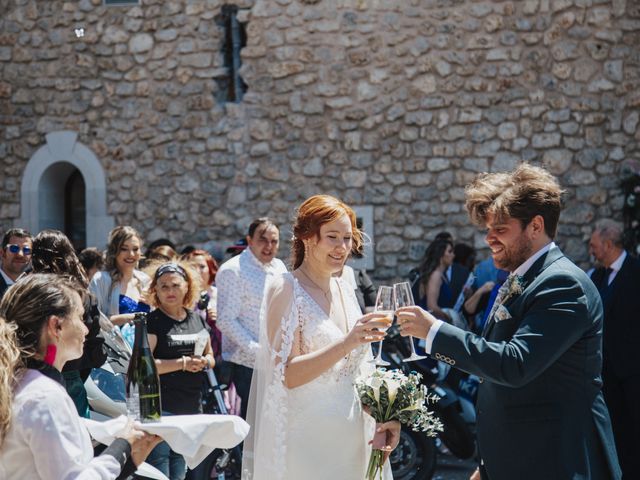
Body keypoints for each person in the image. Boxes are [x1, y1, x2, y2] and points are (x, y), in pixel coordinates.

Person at [396, 163, 621, 480]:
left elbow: (514, 364)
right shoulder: (526, 277)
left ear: (535, 226)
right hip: (519, 457)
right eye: (487, 229)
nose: (489, 239)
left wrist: (432, 330)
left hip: (555, 460)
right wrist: (488, 465)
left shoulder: (562, 285)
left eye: (500, 229)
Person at [243, 195, 399, 480]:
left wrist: (384, 415)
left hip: (354, 439)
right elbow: (286, 375)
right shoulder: (286, 289)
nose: (342, 247)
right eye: (332, 237)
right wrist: (348, 342)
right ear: (307, 238)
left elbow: (357, 372)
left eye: (347, 238)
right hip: (308, 444)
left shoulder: (344, 287)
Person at [0, 273, 161, 479]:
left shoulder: (18, 382)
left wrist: (131, 458)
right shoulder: (43, 396)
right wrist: (124, 445)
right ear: (56, 326)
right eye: (79, 316)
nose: (86, 329)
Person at [144, 261, 215, 480]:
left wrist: (203, 362)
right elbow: (144, 366)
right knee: (160, 470)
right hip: (161, 410)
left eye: (175, 285)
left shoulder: (196, 319)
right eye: (163, 286)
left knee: (181, 470)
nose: (170, 291)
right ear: (155, 290)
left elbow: (211, 357)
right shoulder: (152, 321)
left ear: (187, 286)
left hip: (190, 406)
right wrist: (183, 363)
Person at [31, 229, 107, 418]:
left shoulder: (27, 291)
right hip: (71, 376)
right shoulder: (82, 295)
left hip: (31, 376)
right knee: (75, 443)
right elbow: (96, 351)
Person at [216, 218, 287, 419]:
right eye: (263, 240)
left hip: (277, 360)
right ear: (250, 240)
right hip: (247, 363)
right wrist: (258, 350)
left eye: (274, 241)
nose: (269, 246)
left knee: (276, 423)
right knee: (255, 425)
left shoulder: (280, 267)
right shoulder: (233, 270)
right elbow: (225, 320)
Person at [589, 218, 640, 478]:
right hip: (606, 372)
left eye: (594, 245)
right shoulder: (597, 276)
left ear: (608, 244)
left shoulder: (636, 270)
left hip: (633, 370)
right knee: (616, 429)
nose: (591, 250)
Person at [89, 226, 151, 347]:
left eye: (135, 249)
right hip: (112, 354)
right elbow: (93, 319)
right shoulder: (101, 279)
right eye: (124, 249)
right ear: (114, 251)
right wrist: (130, 318)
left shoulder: (145, 280)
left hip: (144, 351)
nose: (131, 254)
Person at [182, 249, 221, 362]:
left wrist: (219, 319)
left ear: (210, 269)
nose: (197, 271)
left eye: (202, 266)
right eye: (193, 267)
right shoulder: (182, 296)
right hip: (190, 357)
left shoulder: (221, 295)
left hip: (218, 356)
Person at [0, 228, 32, 298]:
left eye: (26, 250)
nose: (20, 254)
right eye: (14, 248)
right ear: (2, 253)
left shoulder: (33, 288)